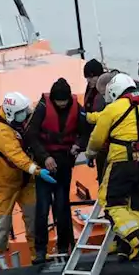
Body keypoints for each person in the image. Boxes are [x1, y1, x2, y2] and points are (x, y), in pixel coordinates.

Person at [85, 73, 139, 261]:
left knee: (111, 203)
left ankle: (135, 239)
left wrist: (90, 154)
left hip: (122, 161)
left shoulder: (114, 108)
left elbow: (97, 138)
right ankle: (129, 246)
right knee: (137, 204)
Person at [0, 92, 56, 269]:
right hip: (5, 182)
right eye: (22, 112)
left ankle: (37, 252)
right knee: (3, 221)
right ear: (11, 113)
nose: (25, 115)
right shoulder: (1, 131)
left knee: (34, 216)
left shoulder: (20, 121)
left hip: (25, 179)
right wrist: (38, 171)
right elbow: (16, 156)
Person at [24, 78, 89, 264]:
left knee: (62, 206)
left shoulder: (77, 108)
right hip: (45, 165)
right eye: (59, 101)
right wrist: (45, 157)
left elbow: (86, 132)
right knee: (42, 208)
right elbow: (31, 135)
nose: (62, 105)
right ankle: (40, 250)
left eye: (64, 101)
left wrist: (78, 145)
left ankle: (64, 246)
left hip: (65, 163)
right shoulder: (43, 107)